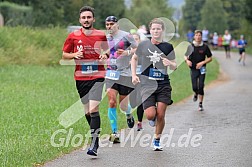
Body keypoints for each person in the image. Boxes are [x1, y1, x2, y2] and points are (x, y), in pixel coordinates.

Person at [62, 6, 109, 156]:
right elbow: (64, 55)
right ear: (80, 20)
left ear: (93, 19)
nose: (86, 20)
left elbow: (108, 50)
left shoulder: (101, 35)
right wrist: (75, 54)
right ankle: (95, 134)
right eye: (84, 18)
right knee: (87, 112)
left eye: (89, 17)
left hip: (98, 76)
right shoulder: (73, 36)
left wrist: (104, 55)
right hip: (81, 77)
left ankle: (94, 144)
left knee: (94, 109)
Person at [131, 18, 177, 151]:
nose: (156, 31)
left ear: (162, 30)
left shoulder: (168, 47)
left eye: (158, 29)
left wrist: (171, 64)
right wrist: (134, 75)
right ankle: (153, 119)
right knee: (151, 115)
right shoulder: (144, 45)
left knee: (161, 114)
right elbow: (134, 59)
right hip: (147, 84)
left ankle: (157, 139)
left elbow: (175, 65)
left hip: (163, 84)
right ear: (150, 30)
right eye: (153, 29)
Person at [105, 16, 138, 143]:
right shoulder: (106, 38)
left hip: (125, 74)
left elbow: (136, 48)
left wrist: (127, 53)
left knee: (123, 106)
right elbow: (104, 51)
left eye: (111, 24)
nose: (109, 27)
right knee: (112, 101)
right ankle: (115, 132)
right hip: (111, 74)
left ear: (117, 24)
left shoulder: (126, 36)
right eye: (107, 24)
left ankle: (128, 114)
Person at [184, 30, 212, 111]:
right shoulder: (191, 46)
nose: (198, 37)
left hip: (202, 68)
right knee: (195, 87)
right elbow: (185, 56)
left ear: (201, 36)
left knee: (201, 85)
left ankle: (200, 104)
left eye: (199, 35)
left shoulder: (205, 47)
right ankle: (195, 93)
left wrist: (202, 62)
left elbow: (210, 58)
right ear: (194, 36)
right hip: (193, 68)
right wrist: (187, 61)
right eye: (196, 35)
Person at [129, 33, 144, 131]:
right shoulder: (127, 52)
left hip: (142, 78)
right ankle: (129, 115)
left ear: (139, 40)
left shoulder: (144, 51)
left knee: (140, 100)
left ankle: (139, 122)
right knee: (132, 102)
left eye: (136, 39)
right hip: (130, 79)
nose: (135, 41)